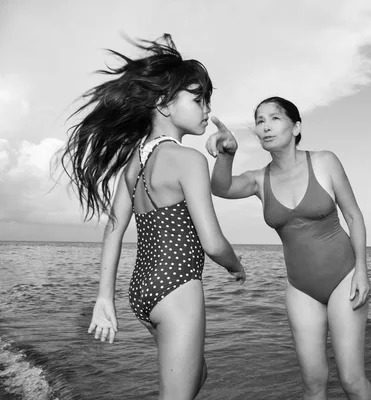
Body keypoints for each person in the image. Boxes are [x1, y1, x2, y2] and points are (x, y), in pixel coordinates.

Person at [58, 34, 246, 400]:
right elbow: (212, 242)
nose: (207, 109)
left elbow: (113, 230)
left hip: (142, 291)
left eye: (208, 100)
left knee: (197, 374)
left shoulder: (134, 164)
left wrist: (105, 298)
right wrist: (235, 267)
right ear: (163, 103)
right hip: (177, 287)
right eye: (197, 99)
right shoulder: (189, 160)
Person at [207, 96, 371, 400]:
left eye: (275, 118)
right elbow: (220, 188)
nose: (266, 126)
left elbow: (354, 215)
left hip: (344, 277)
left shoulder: (324, 161)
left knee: (351, 379)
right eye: (259, 121)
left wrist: (362, 270)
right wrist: (226, 154)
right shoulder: (259, 179)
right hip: (301, 289)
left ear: (296, 127)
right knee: (312, 384)